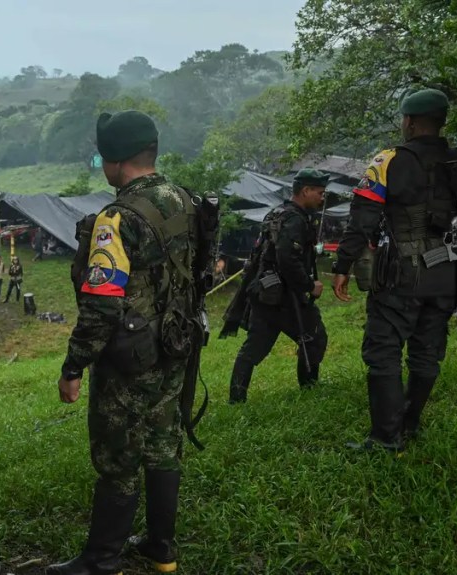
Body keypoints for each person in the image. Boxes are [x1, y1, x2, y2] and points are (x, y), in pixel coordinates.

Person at [50, 110, 200, 575]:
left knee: (118, 457)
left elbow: (101, 307)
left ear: (114, 161)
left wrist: (73, 367)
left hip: (130, 357)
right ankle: (161, 547)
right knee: (162, 444)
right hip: (176, 343)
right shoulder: (183, 199)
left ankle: (102, 558)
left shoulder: (116, 218)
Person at [331, 89, 457, 452]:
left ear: (410, 122)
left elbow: (362, 221)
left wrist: (343, 265)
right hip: (450, 276)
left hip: (400, 275)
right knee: (427, 350)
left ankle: (386, 437)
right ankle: (410, 423)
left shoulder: (388, 160)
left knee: (384, 351)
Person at [225, 169, 330, 404]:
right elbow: (287, 258)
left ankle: (236, 399)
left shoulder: (277, 213)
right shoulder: (294, 219)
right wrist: (309, 285)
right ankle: (310, 390)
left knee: (254, 347)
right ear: (306, 191)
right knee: (314, 337)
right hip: (284, 295)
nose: (322, 198)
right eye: (320, 193)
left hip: (266, 292)